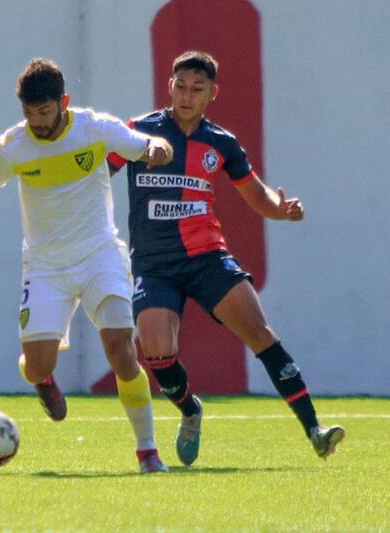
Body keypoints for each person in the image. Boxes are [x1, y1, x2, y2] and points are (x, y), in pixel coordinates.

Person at [108, 50, 344, 466]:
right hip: (154, 265)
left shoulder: (221, 143)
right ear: (169, 86)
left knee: (261, 333)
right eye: (180, 86)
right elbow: (95, 176)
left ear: (213, 94)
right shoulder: (137, 134)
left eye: (197, 89)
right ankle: (190, 410)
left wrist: (282, 210)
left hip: (207, 258)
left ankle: (315, 431)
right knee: (158, 353)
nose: (186, 95)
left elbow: (258, 196)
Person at [0, 58, 174, 473]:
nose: (36, 122)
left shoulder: (94, 128)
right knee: (37, 364)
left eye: (43, 112)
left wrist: (156, 149)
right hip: (45, 268)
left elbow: (151, 145)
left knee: (120, 351)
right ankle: (43, 380)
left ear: (63, 102)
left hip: (100, 256)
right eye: (28, 113)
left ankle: (147, 450)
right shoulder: (15, 145)